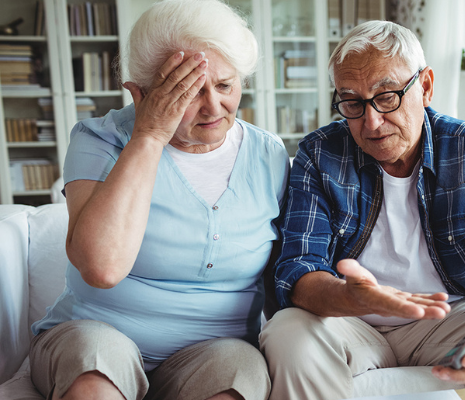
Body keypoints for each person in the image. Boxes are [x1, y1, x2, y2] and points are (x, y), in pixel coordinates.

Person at [259, 20, 465, 400]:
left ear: (424, 87)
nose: (371, 122)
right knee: (286, 333)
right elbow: (298, 269)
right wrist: (356, 298)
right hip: (351, 321)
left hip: (446, 319)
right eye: (352, 102)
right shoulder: (320, 153)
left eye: (386, 96)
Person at [29, 1, 289, 399]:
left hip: (216, 352)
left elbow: (282, 274)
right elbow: (101, 267)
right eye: (187, 91)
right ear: (143, 92)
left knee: (240, 375)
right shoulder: (101, 139)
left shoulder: (269, 154)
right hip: (98, 334)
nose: (214, 107)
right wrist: (149, 135)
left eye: (225, 85)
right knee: (94, 368)